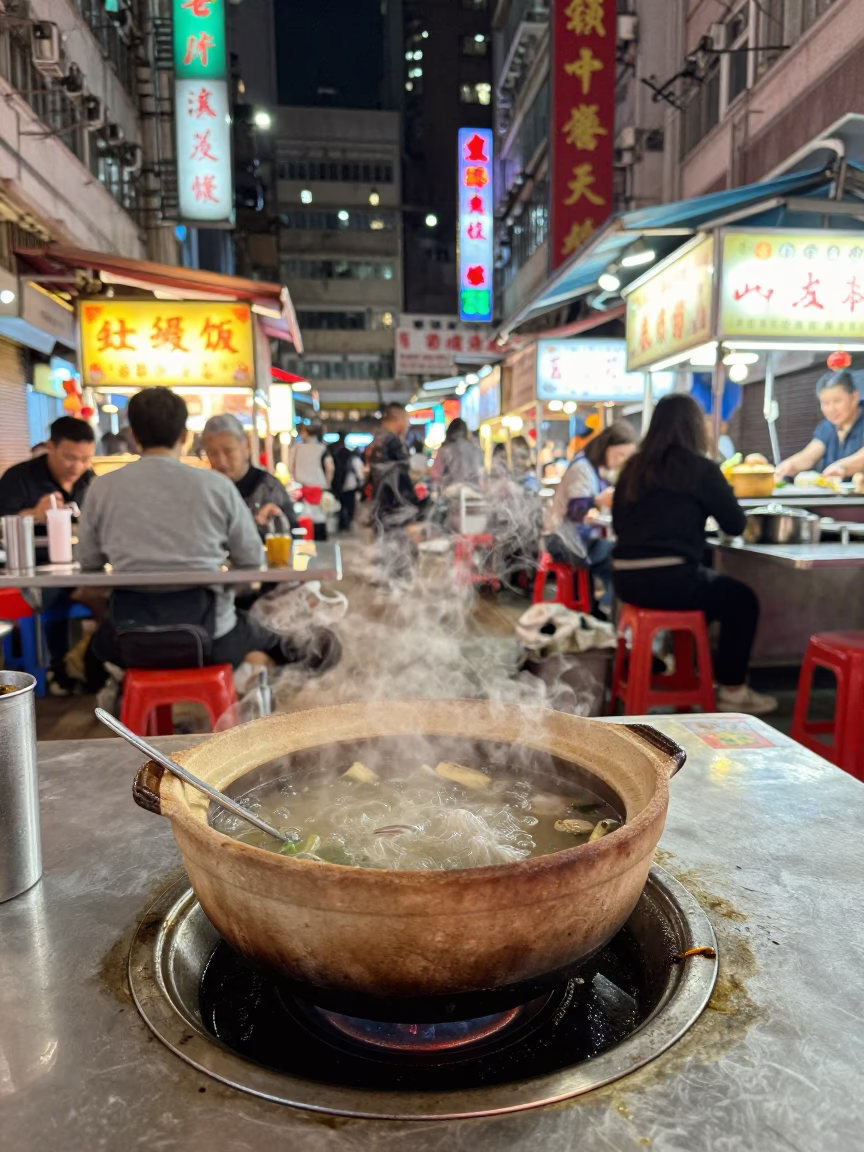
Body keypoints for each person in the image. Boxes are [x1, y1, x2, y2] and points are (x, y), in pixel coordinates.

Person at [77, 388, 339, 682]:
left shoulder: (101, 487)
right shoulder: (216, 485)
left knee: (95, 649)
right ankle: (251, 668)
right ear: (185, 437)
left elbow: (87, 561)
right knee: (319, 643)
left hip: (128, 641)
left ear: (134, 436)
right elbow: (251, 560)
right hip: (210, 640)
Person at [612, 393, 776, 715]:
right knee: (742, 601)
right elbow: (735, 524)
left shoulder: (633, 467)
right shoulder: (700, 468)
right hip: (671, 580)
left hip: (626, 581)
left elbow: (619, 524)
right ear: (694, 428)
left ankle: (686, 667)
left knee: (711, 594)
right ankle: (732, 689)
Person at [0, 416, 96, 689]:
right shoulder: (19, 478)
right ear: (49, 446)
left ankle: (91, 666)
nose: (77, 466)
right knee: (50, 596)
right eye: (69, 457)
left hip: (79, 568)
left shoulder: (90, 481)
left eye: (85, 459)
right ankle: (55, 670)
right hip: (30, 571)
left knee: (112, 595)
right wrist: (33, 514)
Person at [547, 422, 638, 616]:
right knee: (619, 557)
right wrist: (599, 500)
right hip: (563, 542)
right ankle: (610, 612)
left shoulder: (594, 469)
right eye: (619, 455)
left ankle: (599, 608)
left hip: (576, 541)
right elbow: (575, 510)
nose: (621, 461)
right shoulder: (582, 468)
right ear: (605, 448)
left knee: (616, 556)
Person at [201, 413, 298, 535]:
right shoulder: (204, 491)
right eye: (212, 453)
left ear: (246, 445)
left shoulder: (270, 488)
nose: (221, 462)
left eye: (228, 451)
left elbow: (293, 534)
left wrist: (275, 521)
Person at [367, 402, 426, 579]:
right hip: (396, 508)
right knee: (400, 561)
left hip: (381, 507)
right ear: (398, 419)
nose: (408, 425)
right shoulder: (393, 441)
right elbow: (402, 478)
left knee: (387, 558)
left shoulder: (377, 439)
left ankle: (386, 593)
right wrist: (412, 513)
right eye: (407, 420)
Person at [776, 370, 864, 480]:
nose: (831, 409)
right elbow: (809, 455)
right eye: (825, 403)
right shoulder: (828, 426)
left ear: (854, 397)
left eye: (837, 401)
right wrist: (787, 466)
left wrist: (841, 467)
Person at [288, 423, 333, 541]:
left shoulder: (296, 448)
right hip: (318, 489)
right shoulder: (323, 448)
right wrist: (327, 484)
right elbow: (330, 468)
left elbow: (290, 468)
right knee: (319, 522)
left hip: (301, 490)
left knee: (302, 524)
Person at [430, 418, 485, 490]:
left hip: (449, 494)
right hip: (473, 493)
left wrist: (435, 492)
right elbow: (481, 475)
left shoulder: (444, 450)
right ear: (465, 432)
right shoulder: (475, 449)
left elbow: (435, 476)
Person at [329, 435, 363, 532]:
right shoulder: (351, 455)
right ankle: (347, 523)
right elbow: (359, 473)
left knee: (340, 506)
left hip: (338, 485)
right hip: (349, 485)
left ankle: (341, 524)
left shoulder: (335, 454)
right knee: (349, 507)